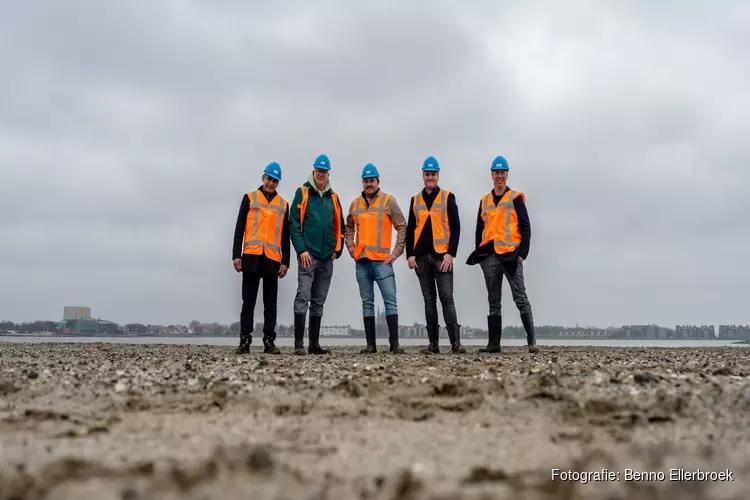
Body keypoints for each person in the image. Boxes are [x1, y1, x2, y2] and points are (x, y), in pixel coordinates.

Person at [466, 156, 539, 353]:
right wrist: (479, 255)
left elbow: (525, 226)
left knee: (520, 297)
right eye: (496, 172)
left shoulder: (515, 198)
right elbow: (478, 229)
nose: (499, 176)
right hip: (489, 256)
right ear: (491, 175)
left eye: (502, 172)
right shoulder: (485, 201)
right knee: (493, 300)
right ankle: (494, 344)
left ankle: (532, 342)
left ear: (507, 175)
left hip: (511, 255)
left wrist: (523, 253)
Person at [345, 163, 407, 354]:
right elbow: (348, 228)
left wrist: (396, 252)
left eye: (372, 180)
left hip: (383, 262)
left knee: (390, 301)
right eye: (366, 181)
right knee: (367, 303)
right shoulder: (355, 204)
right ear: (362, 183)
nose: (369, 184)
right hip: (362, 262)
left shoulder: (388, 201)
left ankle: (394, 344)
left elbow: (402, 225)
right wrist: (351, 248)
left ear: (378, 181)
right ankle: (370, 345)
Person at [405, 156, 465, 354]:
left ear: (438, 175)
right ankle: (433, 344)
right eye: (427, 174)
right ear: (423, 176)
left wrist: (451, 254)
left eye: (433, 174)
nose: (430, 177)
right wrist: (410, 255)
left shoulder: (448, 197)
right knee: (429, 300)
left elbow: (456, 228)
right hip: (421, 258)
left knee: (447, 298)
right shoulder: (415, 200)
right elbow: (411, 228)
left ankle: (456, 344)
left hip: (442, 258)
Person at [289, 154, 346, 355]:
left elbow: (341, 226)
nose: (321, 174)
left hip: (327, 257)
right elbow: (294, 224)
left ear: (328, 173)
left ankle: (314, 344)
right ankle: (298, 344)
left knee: (319, 300)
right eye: (318, 171)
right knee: (303, 295)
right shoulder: (302, 192)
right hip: (308, 255)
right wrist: (301, 250)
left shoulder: (334, 197)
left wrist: (337, 251)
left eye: (324, 172)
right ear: (314, 171)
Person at [232, 161, 290, 355]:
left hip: (272, 259)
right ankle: (244, 340)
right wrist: (236, 256)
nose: (271, 183)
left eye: (275, 180)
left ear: (278, 182)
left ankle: (269, 340)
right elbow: (239, 229)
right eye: (268, 179)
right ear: (263, 178)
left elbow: (284, 236)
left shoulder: (283, 204)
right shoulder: (249, 198)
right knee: (248, 301)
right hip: (250, 257)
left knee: (270, 304)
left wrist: (285, 262)